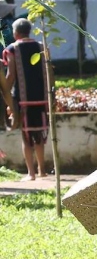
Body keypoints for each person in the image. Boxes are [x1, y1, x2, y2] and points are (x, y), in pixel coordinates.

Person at [3, 18, 50, 181]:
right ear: (29, 31)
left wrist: (4, 94)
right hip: (42, 99)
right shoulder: (41, 47)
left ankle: (31, 174)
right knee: (39, 135)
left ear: (15, 33)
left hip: (22, 101)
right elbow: (50, 73)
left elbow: (10, 75)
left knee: (26, 136)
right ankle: (42, 170)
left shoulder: (12, 49)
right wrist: (53, 97)